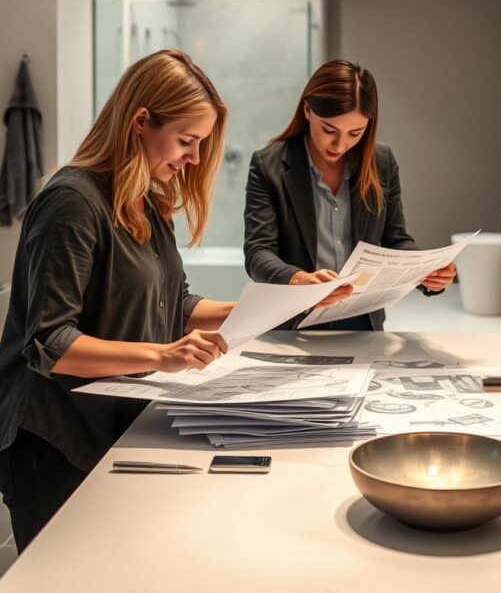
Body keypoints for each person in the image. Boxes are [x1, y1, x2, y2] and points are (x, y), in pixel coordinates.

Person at [0, 50, 234, 553]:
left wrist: (267, 308)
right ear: (141, 122)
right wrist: (163, 356)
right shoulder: (71, 202)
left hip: (108, 428)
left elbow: (175, 302)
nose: (194, 158)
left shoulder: (147, 201)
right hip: (53, 440)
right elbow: (49, 343)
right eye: (187, 141)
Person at [244, 59, 455, 330]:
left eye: (355, 132)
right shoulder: (268, 165)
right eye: (329, 130)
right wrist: (299, 280)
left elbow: (395, 239)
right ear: (307, 110)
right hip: (293, 321)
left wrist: (426, 270)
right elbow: (258, 252)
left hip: (362, 321)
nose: (340, 144)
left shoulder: (382, 161)